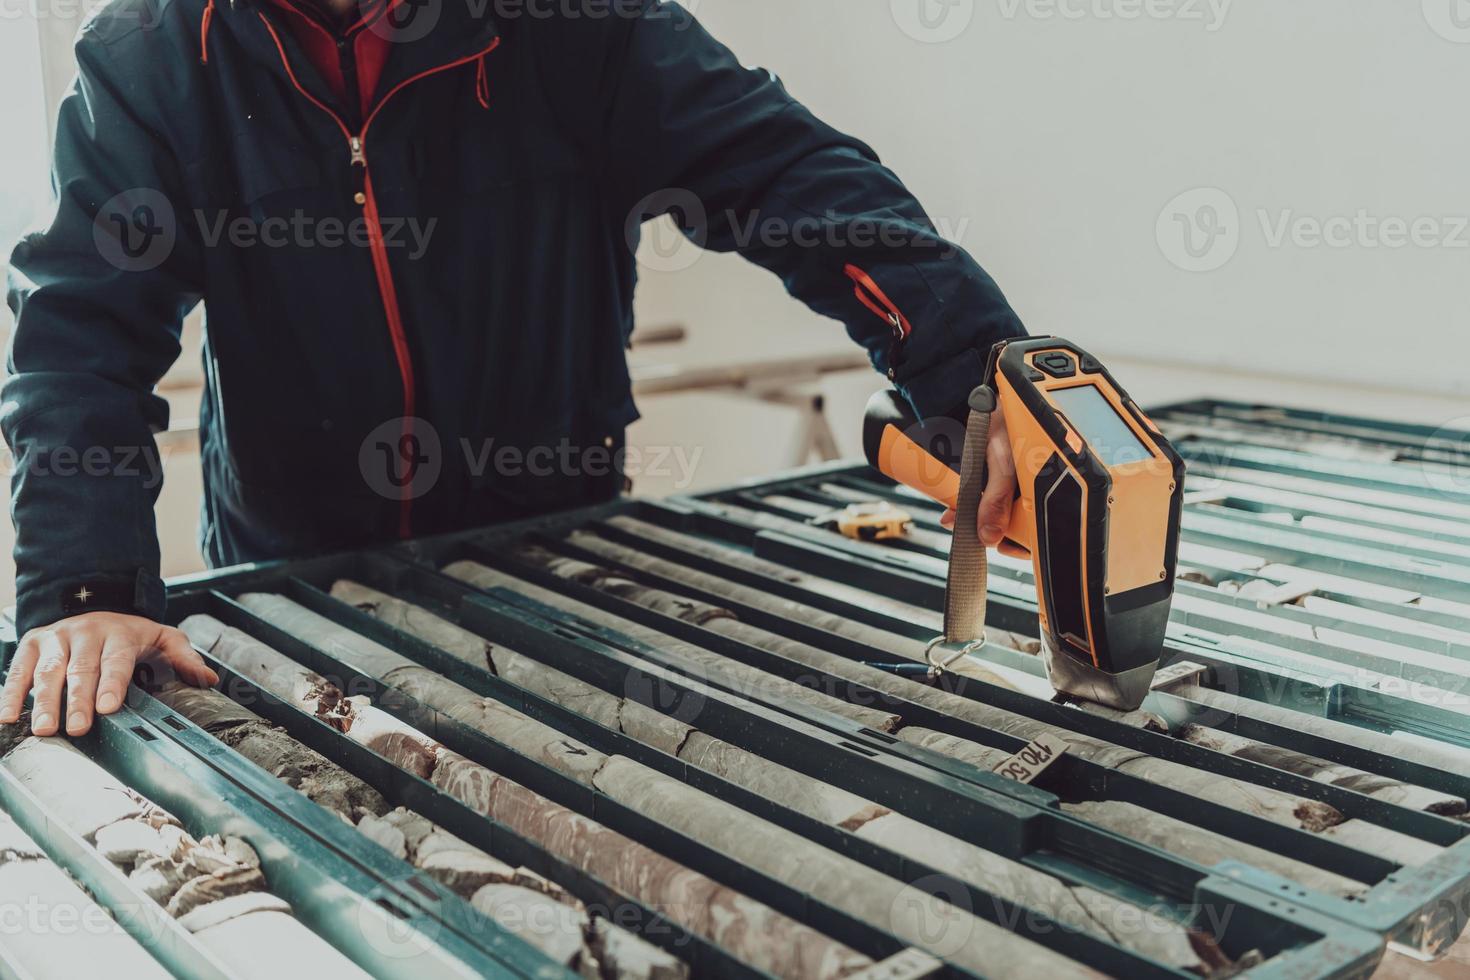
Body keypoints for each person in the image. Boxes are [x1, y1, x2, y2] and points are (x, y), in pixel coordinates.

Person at [1, 0, 1023, 737]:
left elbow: (791, 176)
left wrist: (977, 373)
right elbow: (76, 335)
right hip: (296, 575)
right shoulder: (146, 55)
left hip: (553, 553)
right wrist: (86, 585)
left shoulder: (577, 24)